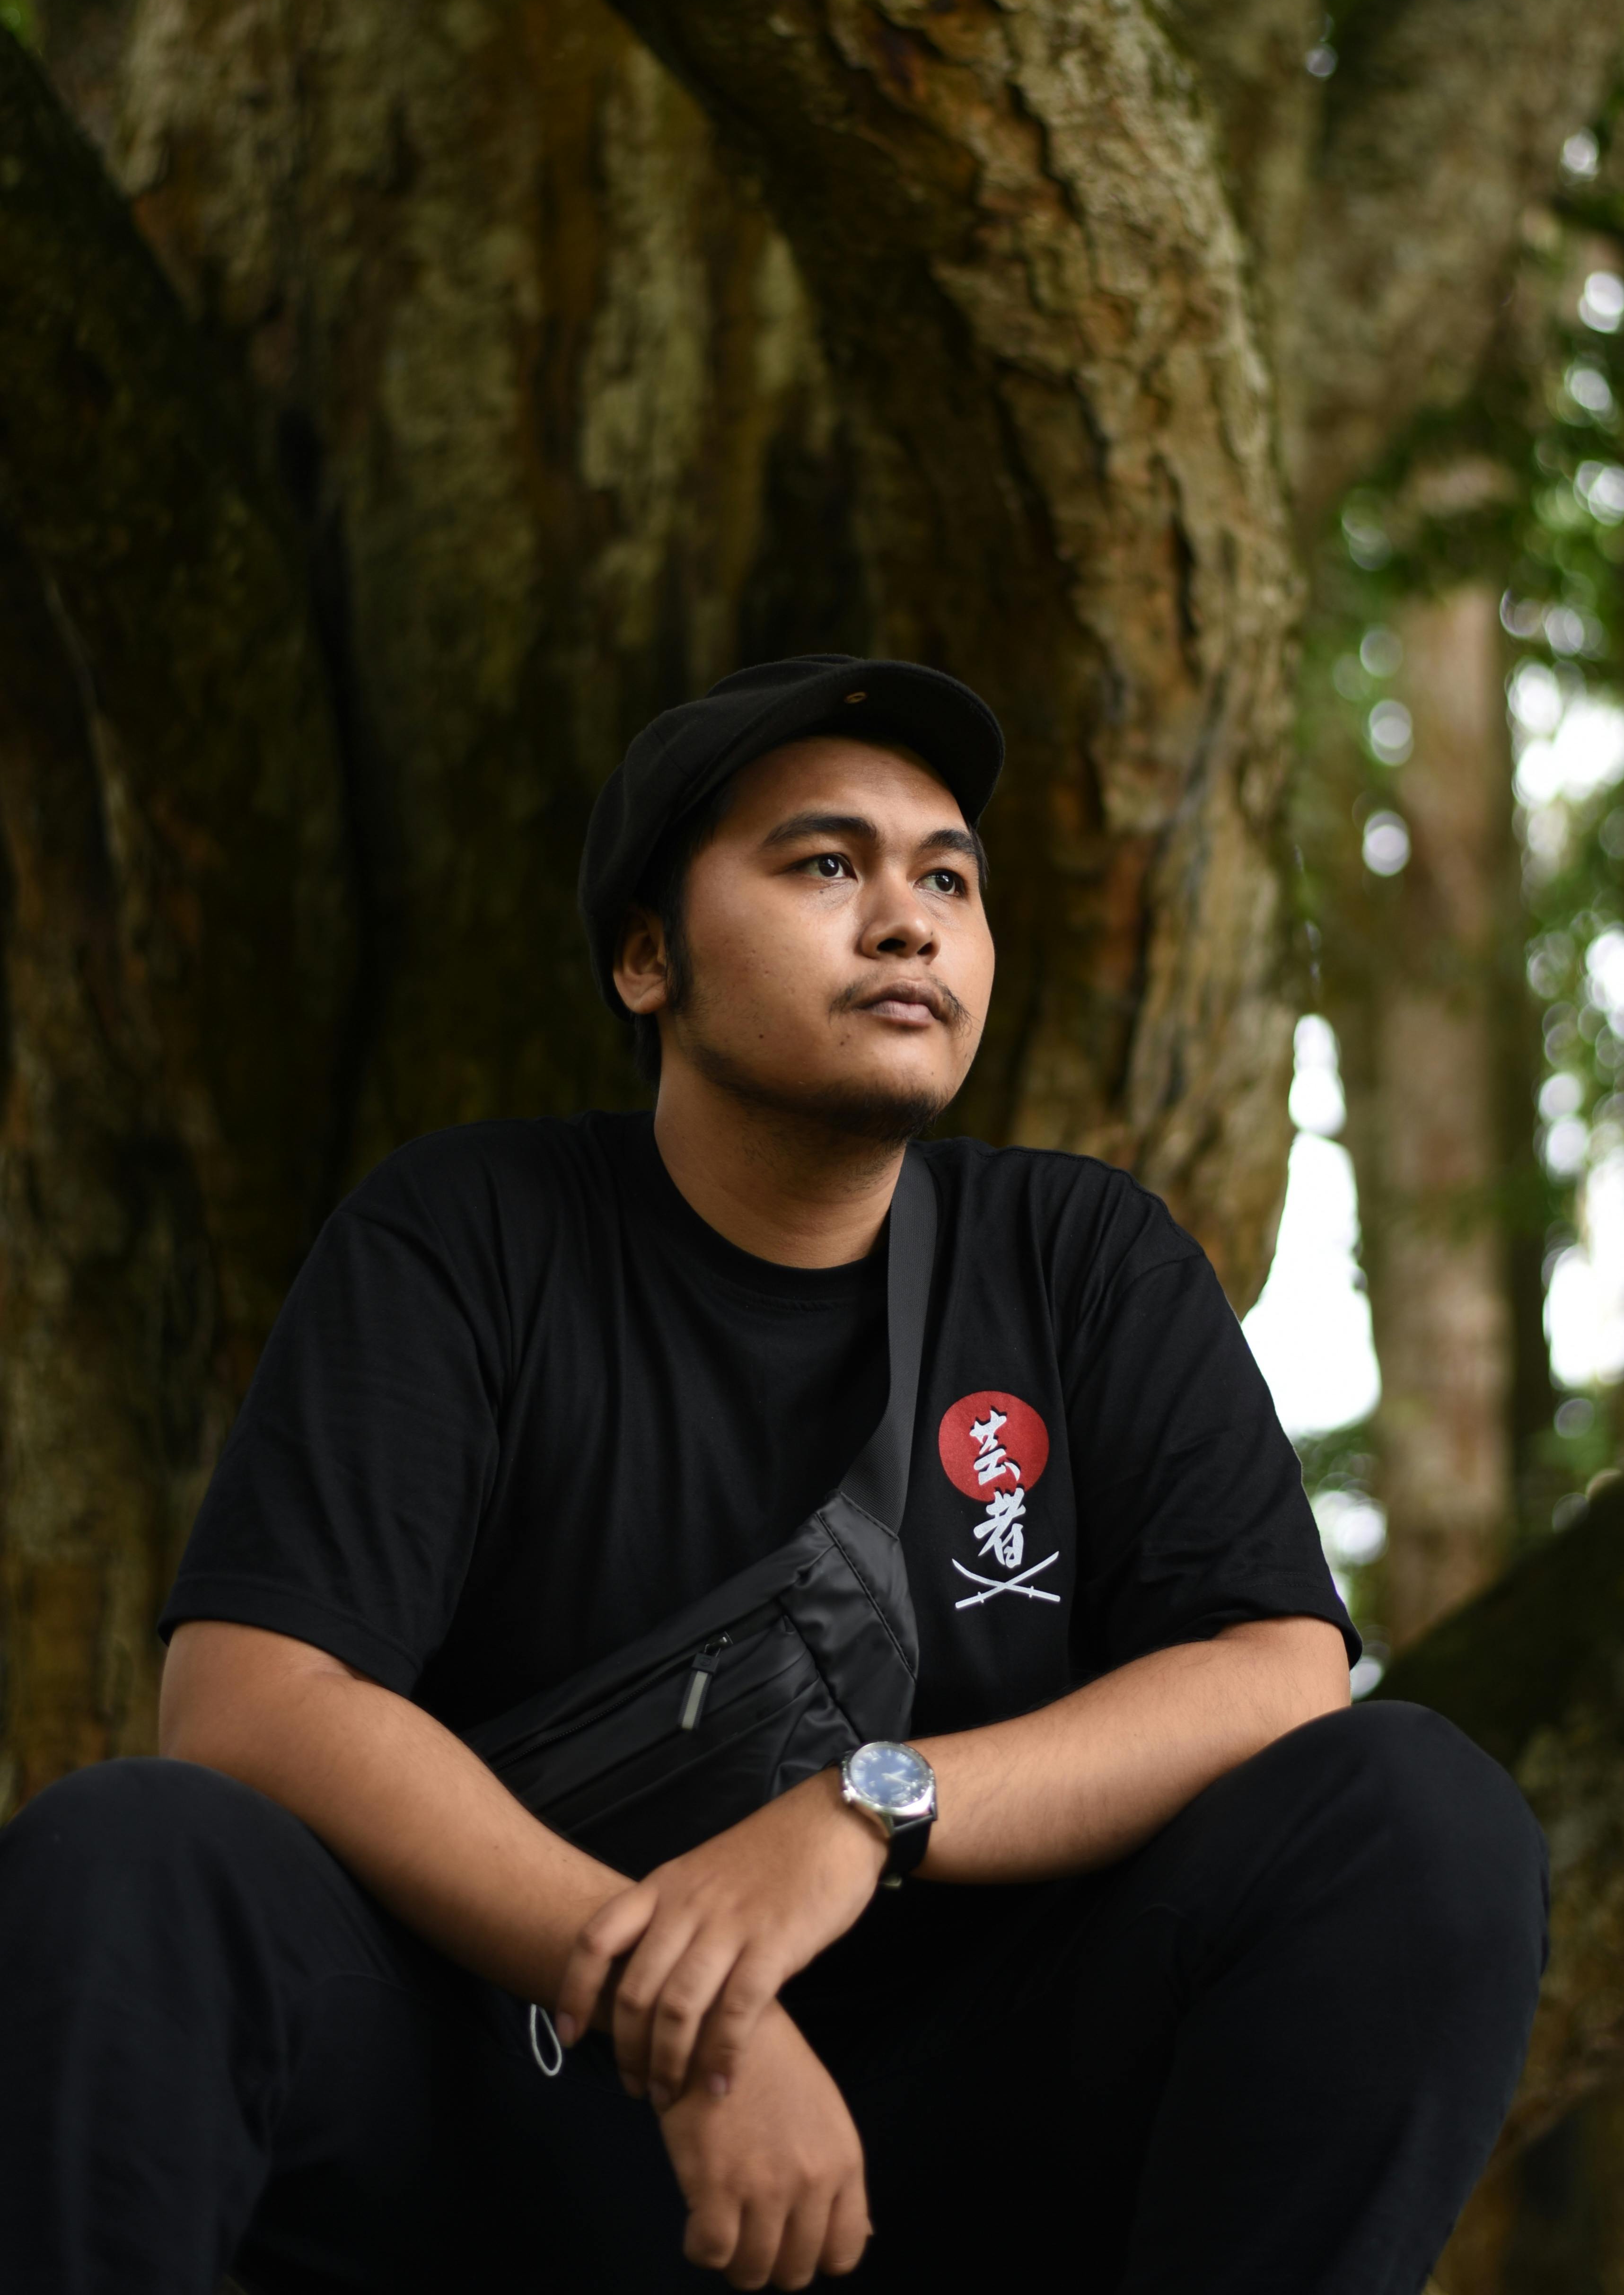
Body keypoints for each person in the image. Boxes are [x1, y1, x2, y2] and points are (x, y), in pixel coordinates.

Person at [0, 653, 1545, 2295]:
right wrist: (694, 2021)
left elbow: (1281, 1668)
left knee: (1421, 1815)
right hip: (518, 2110)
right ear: (648, 957)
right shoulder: (465, 1235)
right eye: (826, 865)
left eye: (946, 876)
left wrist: (870, 1811)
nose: (908, 920)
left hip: (968, 2141)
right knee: (133, 1858)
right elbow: (250, 1694)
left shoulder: (1078, 1257)